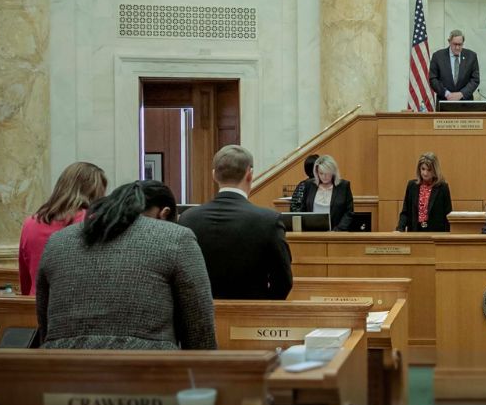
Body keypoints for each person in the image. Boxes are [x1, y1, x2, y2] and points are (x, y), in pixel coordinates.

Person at [35, 180, 216, 350]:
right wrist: (204, 366)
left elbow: (44, 320)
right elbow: (199, 323)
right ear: (164, 214)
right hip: (148, 364)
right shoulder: (176, 237)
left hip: (62, 363)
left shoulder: (58, 240)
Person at [180, 145, 293, 300]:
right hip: (252, 311)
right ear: (250, 174)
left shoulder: (187, 218)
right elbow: (283, 281)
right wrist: (262, 307)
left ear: (214, 175)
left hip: (201, 311)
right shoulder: (269, 220)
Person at [19, 161, 108, 296]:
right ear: (95, 193)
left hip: (37, 302)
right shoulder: (93, 221)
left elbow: (25, 279)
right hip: (77, 302)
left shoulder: (30, 223)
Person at [397, 152, 452, 232]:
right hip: (415, 232)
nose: (425, 173)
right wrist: (399, 229)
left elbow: (448, 215)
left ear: (435, 170)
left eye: (429, 170)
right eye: (423, 169)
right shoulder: (412, 186)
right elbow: (405, 212)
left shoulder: (442, 188)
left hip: (436, 233)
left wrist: (447, 236)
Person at [428, 29, 480, 102]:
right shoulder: (438, 56)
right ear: (449, 42)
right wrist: (446, 94)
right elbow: (433, 79)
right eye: (455, 44)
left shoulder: (471, 56)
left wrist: (461, 94)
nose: (457, 47)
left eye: (460, 44)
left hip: (465, 102)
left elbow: (475, 79)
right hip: (444, 101)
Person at [308, 154, 355, 232]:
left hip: (336, 232)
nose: (324, 176)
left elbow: (349, 212)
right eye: (321, 173)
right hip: (312, 232)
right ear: (316, 173)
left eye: (327, 173)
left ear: (333, 172)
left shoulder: (343, 186)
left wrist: (337, 231)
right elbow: (303, 209)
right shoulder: (310, 185)